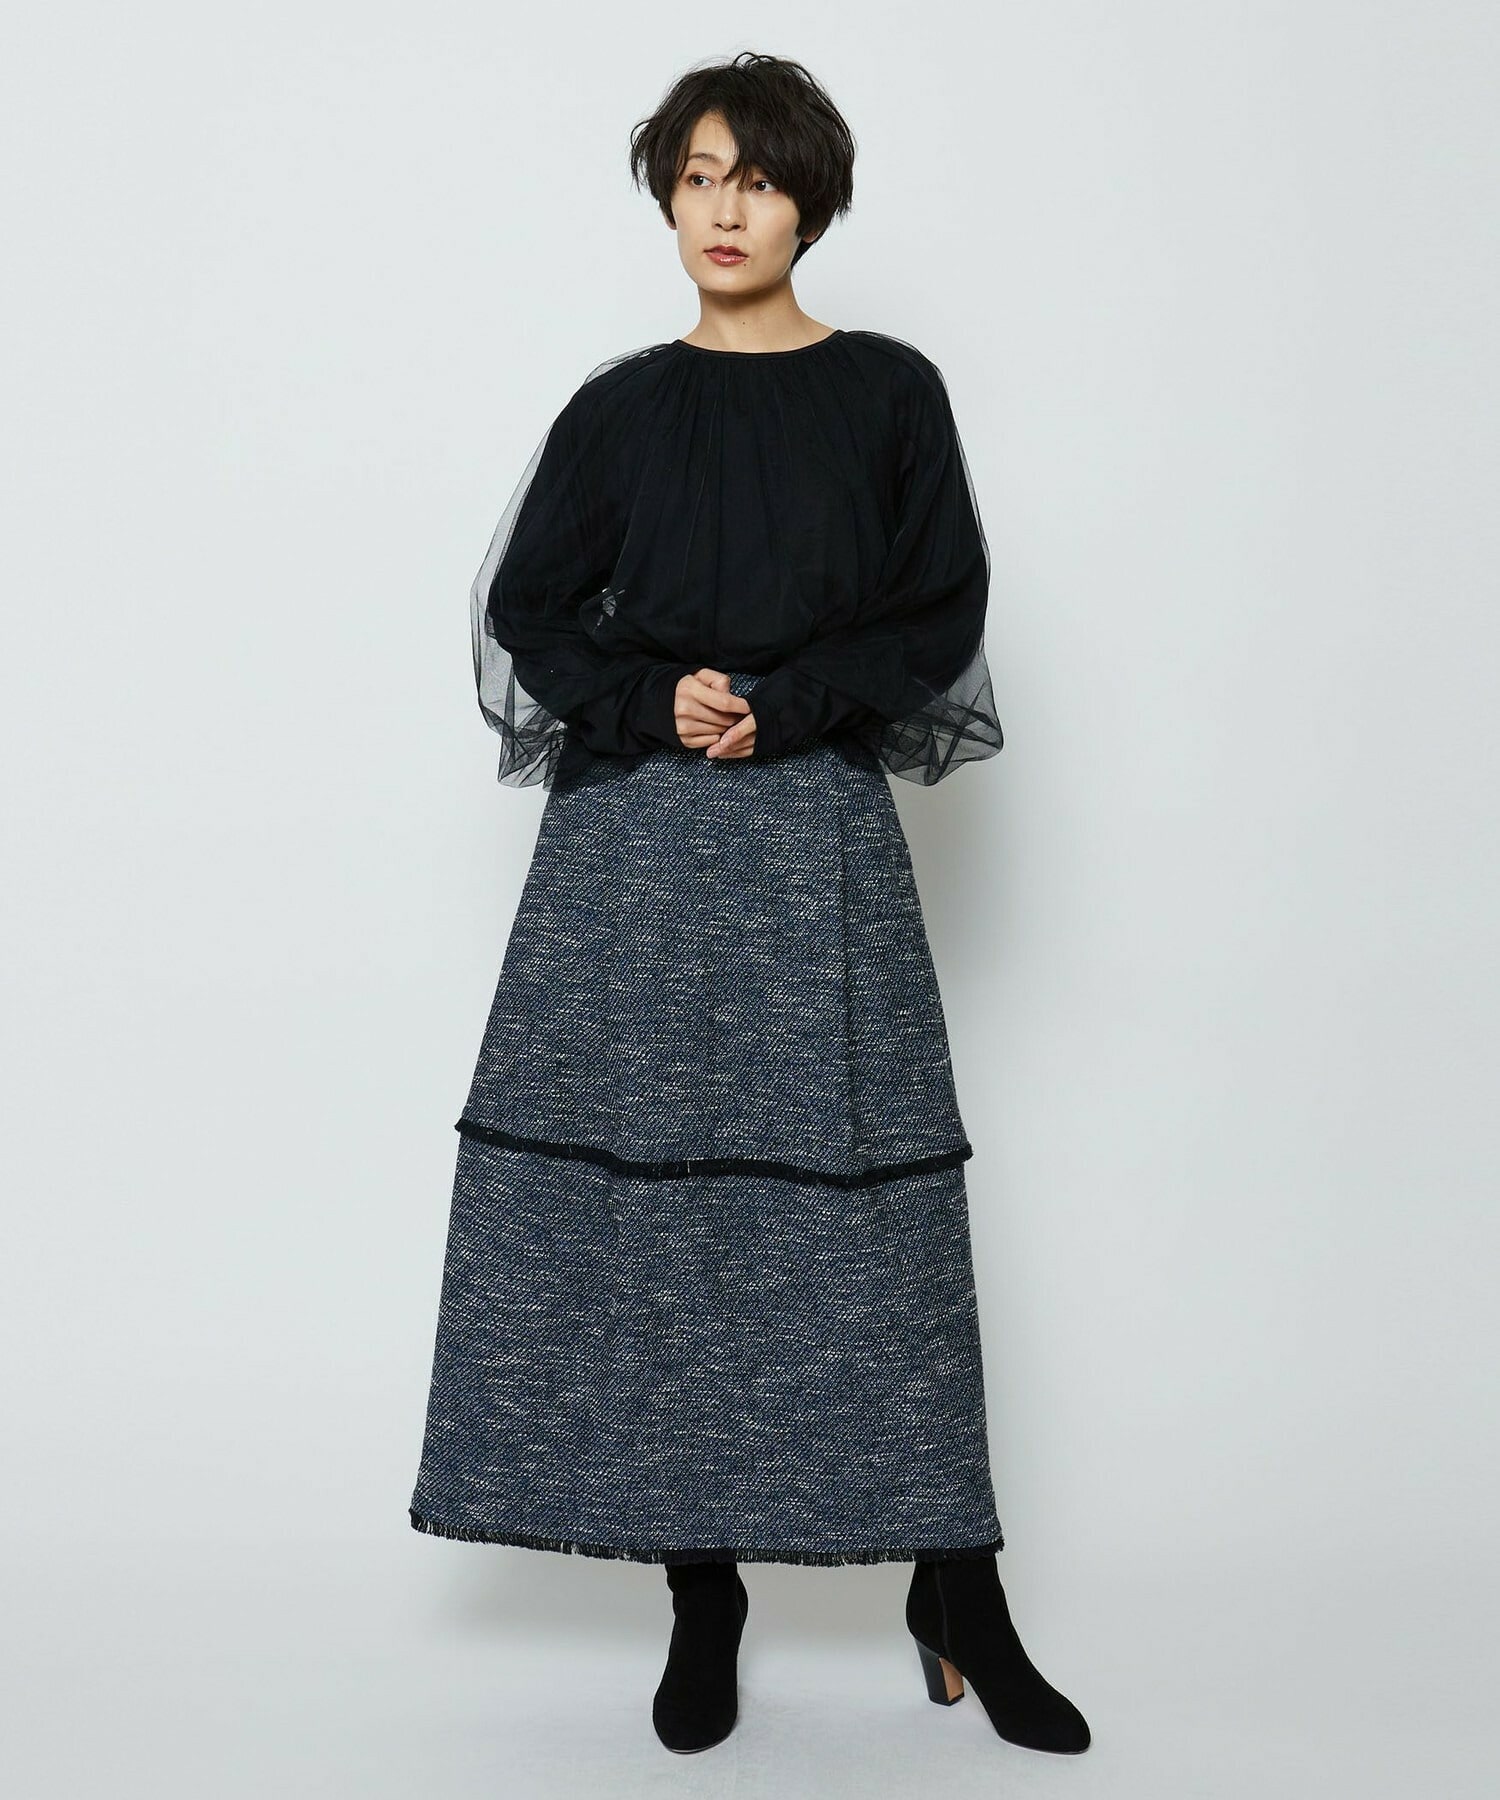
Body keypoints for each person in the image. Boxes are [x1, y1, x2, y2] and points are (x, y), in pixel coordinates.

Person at [409, 51, 1090, 1759]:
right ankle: (698, 1593)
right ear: (667, 194)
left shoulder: (889, 393)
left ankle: (960, 1589)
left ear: (810, 202)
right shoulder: (620, 409)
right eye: (699, 176)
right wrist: (657, 701)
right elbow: (531, 611)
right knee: (657, 1219)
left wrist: (786, 707)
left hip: (813, 848)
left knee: (868, 1219)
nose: (724, 209)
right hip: (631, 856)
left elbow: (938, 610)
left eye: (759, 179)